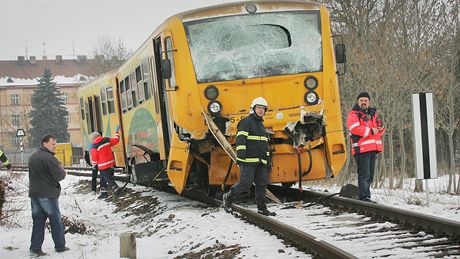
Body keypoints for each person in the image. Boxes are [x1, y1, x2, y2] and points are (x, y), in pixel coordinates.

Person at [222, 97, 275, 216]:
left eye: (263, 108)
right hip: (248, 161)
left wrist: (267, 161)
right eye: (259, 108)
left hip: (261, 161)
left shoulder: (261, 124)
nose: (261, 110)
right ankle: (228, 197)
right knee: (245, 185)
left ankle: (262, 208)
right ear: (253, 109)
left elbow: (264, 144)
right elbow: (240, 140)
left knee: (262, 184)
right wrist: (241, 158)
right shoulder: (246, 122)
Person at [28, 135, 69, 256]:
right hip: (48, 195)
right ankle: (60, 246)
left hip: (35, 194)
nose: (55, 146)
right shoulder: (49, 159)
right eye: (52, 144)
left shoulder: (33, 156)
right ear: (44, 144)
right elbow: (59, 176)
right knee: (55, 221)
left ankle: (35, 248)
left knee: (38, 222)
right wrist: (63, 171)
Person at [346, 92, 385, 202]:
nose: (363, 102)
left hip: (373, 149)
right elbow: (354, 129)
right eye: (361, 100)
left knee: (370, 175)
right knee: (365, 174)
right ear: (358, 102)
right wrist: (371, 131)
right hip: (362, 149)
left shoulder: (373, 114)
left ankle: (365, 196)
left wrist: (380, 128)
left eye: (365, 100)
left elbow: (379, 132)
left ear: (369, 102)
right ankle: (364, 197)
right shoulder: (354, 114)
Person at [90, 126, 121, 199]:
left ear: (94, 138)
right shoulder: (106, 139)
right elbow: (116, 140)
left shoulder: (94, 146)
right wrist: (116, 132)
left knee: (107, 178)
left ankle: (116, 188)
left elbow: (94, 157)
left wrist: (94, 164)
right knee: (103, 178)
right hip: (111, 163)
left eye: (92, 139)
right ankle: (103, 193)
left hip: (103, 165)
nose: (91, 140)